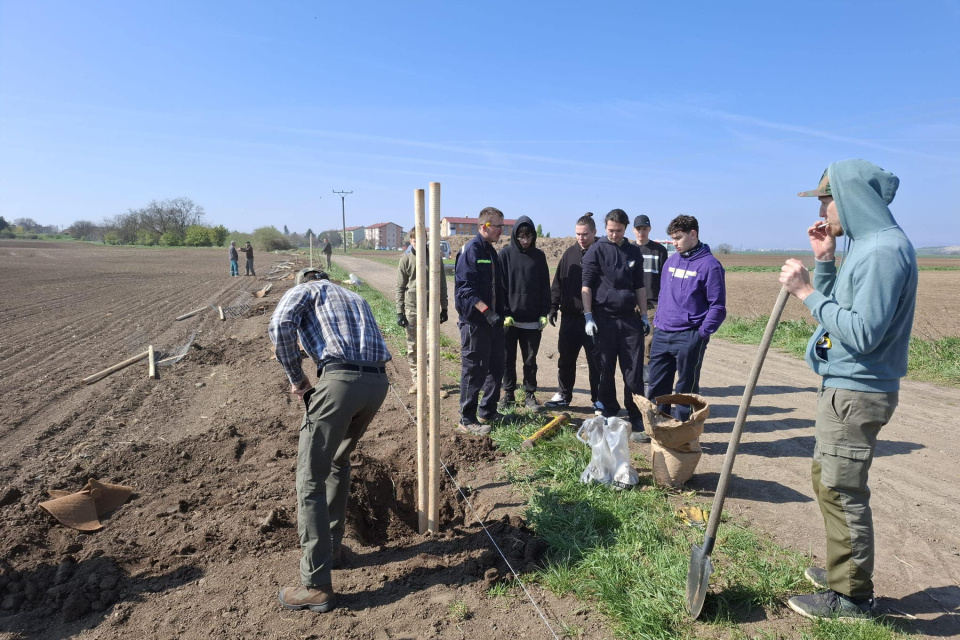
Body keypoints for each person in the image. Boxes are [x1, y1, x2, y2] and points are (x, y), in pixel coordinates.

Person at [780, 160, 917, 621]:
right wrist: (823, 263)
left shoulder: (883, 252)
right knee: (829, 481)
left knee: (842, 490)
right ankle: (844, 570)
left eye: (825, 197)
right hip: (843, 385)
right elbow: (839, 306)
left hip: (858, 391)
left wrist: (803, 293)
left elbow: (862, 333)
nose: (822, 207)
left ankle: (853, 597)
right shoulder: (865, 246)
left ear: (852, 197)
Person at [269, 267, 391, 614]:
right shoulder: (355, 296)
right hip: (377, 385)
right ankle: (334, 548)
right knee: (338, 462)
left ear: (304, 280)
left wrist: (298, 379)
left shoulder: (306, 291)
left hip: (339, 380)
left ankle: (316, 585)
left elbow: (279, 325)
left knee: (309, 480)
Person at [646, 215, 726, 426]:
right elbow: (663, 294)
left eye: (679, 238)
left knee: (685, 390)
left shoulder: (710, 266)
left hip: (689, 336)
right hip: (662, 333)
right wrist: (659, 322)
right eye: (672, 238)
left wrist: (700, 334)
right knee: (656, 385)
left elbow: (717, 306)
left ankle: (682, 432)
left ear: (693, 234)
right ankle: (658, 428)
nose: (674, 243)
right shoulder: (671, 261)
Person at [581, 209, 648, 438]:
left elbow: (639, 286)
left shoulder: (633, 252)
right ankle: (610, 412)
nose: (614, 234)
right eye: (610, 230)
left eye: (619, 231)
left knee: (634, 370)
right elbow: (586, 286)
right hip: (604, 319)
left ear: (625, 228)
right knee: (605, 368)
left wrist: (645, 315)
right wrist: (588, 316)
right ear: (605, 227)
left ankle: (637, 415)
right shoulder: (596, 250)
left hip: (629, 320)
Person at [454, 206, 508, 435]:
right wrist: (486, 311)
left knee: (496, 367)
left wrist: (501, 313)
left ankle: (488, 410)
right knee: (474, 369)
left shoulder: (491, 251)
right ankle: (466, 419)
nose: (501, 231)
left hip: (493, 322)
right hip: (476, 323)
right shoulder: (471, 251)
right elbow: (466, 290)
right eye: (498, 226)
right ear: (484, 227)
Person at [545, 213, 602, 412]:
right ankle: (563, 395)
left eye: (585, 234)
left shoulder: (602, 253)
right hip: (569, 318)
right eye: (578, 234)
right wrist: (553, 307)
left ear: (594, 232)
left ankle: (598, 398)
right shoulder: (569, 253)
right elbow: (558, 283)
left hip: (595, 319)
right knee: (566, 359)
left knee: (596, 362)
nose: (581, 238)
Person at [498, 216, 551, 411]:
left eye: (529, 236)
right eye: (521, 236)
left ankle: (530, 394)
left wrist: (544, 312)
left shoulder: (539, 257)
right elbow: (500, 287)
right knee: (507, 359)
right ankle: (508, 394)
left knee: (530, 360)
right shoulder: (504, 255)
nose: (525, 240)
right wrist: (504, 312)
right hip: (510, 320)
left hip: (531, 321)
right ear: (515, 236)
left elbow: (545, 286)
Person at [395, 227, 449, 396]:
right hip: (412, 309)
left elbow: (442, 284)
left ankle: (433, 383)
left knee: (431, 347)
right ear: (411, 241)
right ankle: (417, 381)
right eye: (414, 241)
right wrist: (400, 312)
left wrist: (444, 307)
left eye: (421, 240)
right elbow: (400, 287)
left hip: (431, 309)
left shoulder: (434, 258)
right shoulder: (405, 260)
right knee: (413, 347)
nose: (418, 243)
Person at [633, 215, 669, 381]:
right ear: (634, 230)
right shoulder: (629, 249)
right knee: (633, 341)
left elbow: (664, 278)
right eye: (639, 229)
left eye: (644, 229)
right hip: (631, 303)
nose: (642, 232)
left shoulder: (659, 250)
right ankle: (635, 377)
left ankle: (647, 379)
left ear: (649, 229)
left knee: (649, 341)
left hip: (652, 303)